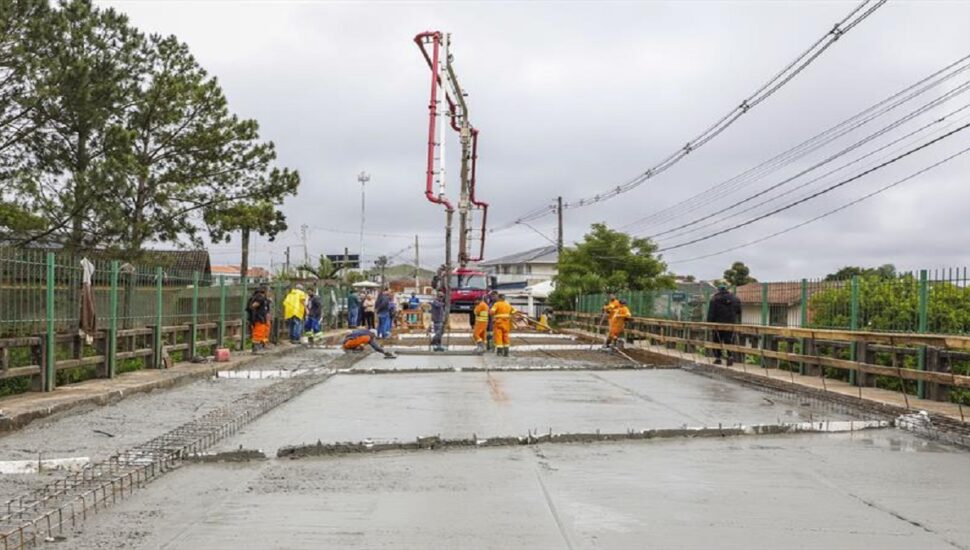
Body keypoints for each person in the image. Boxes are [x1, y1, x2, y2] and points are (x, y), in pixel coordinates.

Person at [707, 284, 741, 365]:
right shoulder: (735, 298)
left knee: (717, 340)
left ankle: (718, 358)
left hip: (717, 324)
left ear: (718, 290)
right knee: (729, 340)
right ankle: (730, 356)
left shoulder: (714, 299)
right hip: (730, 323)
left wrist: (709, 323)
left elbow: (711, 313)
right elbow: (739, 311)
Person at [247, 285, 271, 351]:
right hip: (258, 318)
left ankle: (260, 346)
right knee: (258, 333)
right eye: (268, 291)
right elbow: (253, 306)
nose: (269, 293)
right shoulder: (259, 297)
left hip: (262, 318)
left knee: (261, 333)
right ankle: (256, 348)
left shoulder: (263, 298)